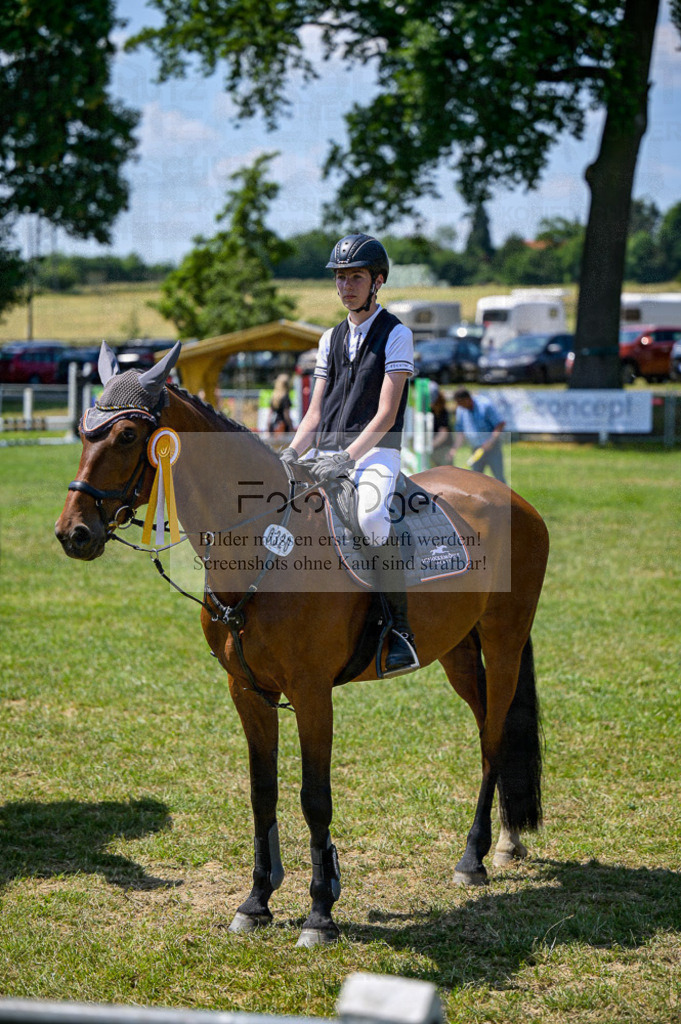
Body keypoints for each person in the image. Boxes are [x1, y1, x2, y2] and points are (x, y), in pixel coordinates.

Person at [279, 233, 419, 675]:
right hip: (324, 451)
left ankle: (399, 629)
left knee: (372, 518)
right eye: (340, 278)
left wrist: (347, 458)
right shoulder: (328, 339)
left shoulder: (397, 335)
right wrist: (290, 453)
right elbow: (315, 412)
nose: (345, 287)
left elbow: (385, 413)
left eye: (355, 277)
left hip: (377, 454)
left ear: (377, 281)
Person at [452, 387, 507, 483]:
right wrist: (455, 448)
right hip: (476, 450)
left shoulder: (485, 405)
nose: (459, 406)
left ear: (467, 399)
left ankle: (507, 498)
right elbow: (460, 431)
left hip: (492, 448)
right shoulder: (460, 410)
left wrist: (491, 441)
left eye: (460, 403)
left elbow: (500, 424)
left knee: (499, 479)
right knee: (475, 479)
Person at [428, 381, 452, 467]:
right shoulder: (427, 410)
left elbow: (443, 433)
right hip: (432, 449)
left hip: (443, 449)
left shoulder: (443, 411)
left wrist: (429, 446)